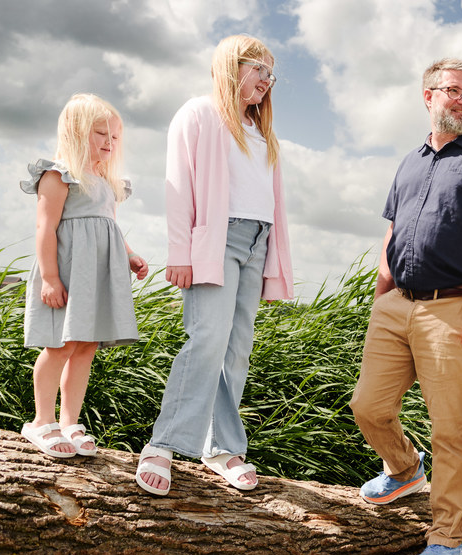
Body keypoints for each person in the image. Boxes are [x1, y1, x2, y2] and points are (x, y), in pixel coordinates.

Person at [350, 58, 462, 555]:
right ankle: (404, 469)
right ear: (428, 96)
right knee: (367, 407)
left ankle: (450, 540)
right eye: (455, 91)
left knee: (450, 428)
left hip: (453, 306)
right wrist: (380, 299)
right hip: (395, 304)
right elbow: (392, 234)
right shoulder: (408, 162)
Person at [135, 34, 294, 496]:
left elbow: (271, 201)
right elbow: (178, 187)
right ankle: (162, 444)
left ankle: (221, 447)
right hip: (217, 240)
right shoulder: (199, 114)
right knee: (206, 339)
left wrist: (271, 259)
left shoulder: (262, 131)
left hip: (256, 243)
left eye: (270, 73)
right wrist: (180, 253)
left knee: (237, 348)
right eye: (258, 69)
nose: (266, 80)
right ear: (230, 67)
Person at [21, 93, 149, 458]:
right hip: (67, 273)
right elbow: (45, 228)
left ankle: (69, 421)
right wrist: (49, 278)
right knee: (59, 345)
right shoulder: (59, 174)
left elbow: (109, 228)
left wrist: (130, 255)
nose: (109, 143)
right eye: (100, 134)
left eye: (114, 137)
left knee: (86, 347)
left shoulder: (107, 181)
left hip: (97, 278)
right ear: (78, 132)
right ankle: (40, 420)